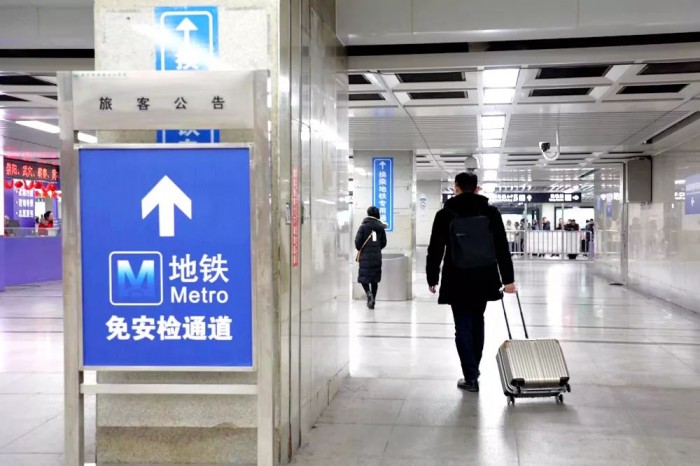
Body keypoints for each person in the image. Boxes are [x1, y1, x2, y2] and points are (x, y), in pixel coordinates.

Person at [426, 172, 516, 393]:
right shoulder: (490, 212)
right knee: (478, 320)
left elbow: (435, 248)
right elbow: (502, 247)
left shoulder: (445, 214)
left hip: (456, 276)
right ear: (477, 189)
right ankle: (474, 369)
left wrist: (432, 277)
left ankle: (471, 376)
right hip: (484, 276)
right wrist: (508, 280)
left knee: (462, 324)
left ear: (455, 188)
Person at [355, 206, 387, 310]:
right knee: (374, 280)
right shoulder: (380, 228)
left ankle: (369, 294)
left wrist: (364, 249)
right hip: (376, 257)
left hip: (365, 257)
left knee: (364, 278)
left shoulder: (363, 227)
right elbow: (384, 243)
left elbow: (357, 243)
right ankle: (373, 302)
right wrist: (376, 249)